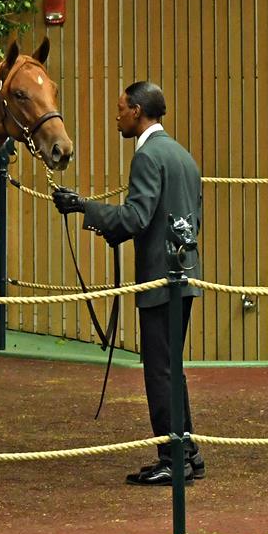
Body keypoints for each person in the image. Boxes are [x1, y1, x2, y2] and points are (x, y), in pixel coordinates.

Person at [52, 81, 204, 486]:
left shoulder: (147, 157)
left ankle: (172, 460)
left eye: (121, 108)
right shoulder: (183, 156)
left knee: (158, 370)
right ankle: (188, 452)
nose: (116, 115)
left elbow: (136, 219)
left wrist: (83, 206)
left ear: (137, 111)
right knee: (172, 366)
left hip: (159, 280)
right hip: (185, 276)